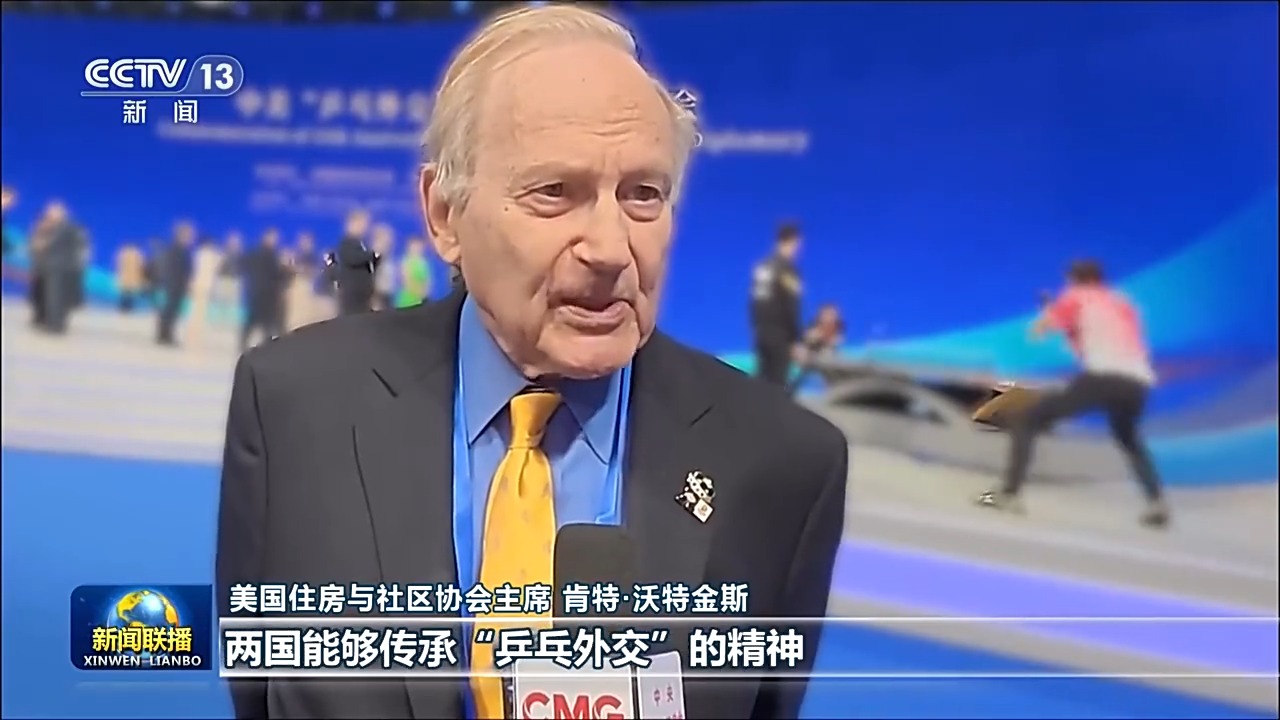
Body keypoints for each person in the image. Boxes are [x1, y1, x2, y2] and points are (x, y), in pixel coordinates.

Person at [217, 6, 846, 720]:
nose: (610, 249)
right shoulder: (294, 405)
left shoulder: (787, 462)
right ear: (445, 215)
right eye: (554, 193)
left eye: (643, 195)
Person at [976, 259, 1169, 528]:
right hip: (1138, 383)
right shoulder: (1122, 303)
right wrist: (1070, 328)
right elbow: (1105, 339)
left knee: (1027, 421)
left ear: (1074, 279)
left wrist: (1048, 314)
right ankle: (1157, 503)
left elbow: (1039, 331)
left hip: (1103, 376)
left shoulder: (1076, 296)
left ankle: (1008, 494)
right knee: (1129, 439)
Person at [750, 223, 804, 387]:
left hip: (761, 334)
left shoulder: (763, 267)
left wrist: (758, 329)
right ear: (791, 242)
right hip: (780, 337)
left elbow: (754, 303)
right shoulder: (787, 270)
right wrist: (794, 339)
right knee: (777, 385)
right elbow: (791, 306)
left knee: (762, 382)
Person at [240, 228, 287, 350]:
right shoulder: (271, 256)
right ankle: (266, 348)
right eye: (274, 238)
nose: (275, 241)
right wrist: (286, 271)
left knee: (253, 323)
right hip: (266, 295)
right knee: (266, 324)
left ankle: (242, 345)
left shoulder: (253, 252)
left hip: (255, 293)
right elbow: (276, 274)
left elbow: (244, 265)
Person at [789, 303, 845, 394]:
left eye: (832, 324)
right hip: (803, 389)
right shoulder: (807, 344)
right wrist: (808, 344)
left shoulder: (840, 348)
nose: (826, 328)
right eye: (822, 323)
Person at [329, 209, 377, 315]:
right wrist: (372, 254)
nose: (365, 227)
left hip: (362, 297)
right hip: (352, 295)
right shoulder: (346, 242)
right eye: (363, 224)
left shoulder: (360, 243)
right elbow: (352, 259)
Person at [156, 221, 195, 346]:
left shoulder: (183, 250)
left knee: (173, 311)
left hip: (178, 285)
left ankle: (166, 335)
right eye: (188, 234)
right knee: (169, 311)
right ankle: (164, 336)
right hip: (174, 285)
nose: (191, 237)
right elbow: (172, 269)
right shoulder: (175, 249)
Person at [185, 236, 224, 349]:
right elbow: (218, 266)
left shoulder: (198, 254)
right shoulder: (211, 255)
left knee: (196, 310)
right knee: (199, 310)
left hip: (199, 283)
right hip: (204, 284)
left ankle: (194, 331)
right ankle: (195, 332)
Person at [212, 232, 244, 325]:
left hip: (234, 280)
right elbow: (218, 266)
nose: (234, 243)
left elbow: (242, 268)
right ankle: (218, 320)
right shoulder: (223, 253)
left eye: (236, 242)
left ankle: (227, 321)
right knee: (221, 301)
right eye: (232, 241)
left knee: (231, 302)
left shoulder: (240, 255)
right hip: (224, 279)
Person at [396, 237, 432, 308]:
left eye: (419, 247)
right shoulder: (405, 263)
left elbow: (427, 283)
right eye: (414, 247)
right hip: (406, 301)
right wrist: (419, 292)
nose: (417, 249)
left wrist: (423, 294)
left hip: (420, 301)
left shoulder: (424, 264)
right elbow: (406, 281)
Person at [114, 242, 145, 312]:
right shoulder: (137, 253)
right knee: (129, 294)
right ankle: (128, 308)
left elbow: (118, 264)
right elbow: (141, 266)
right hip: (132, 277)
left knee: (125, 293)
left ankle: (123, 307)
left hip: (125, 277)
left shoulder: (123, 252)